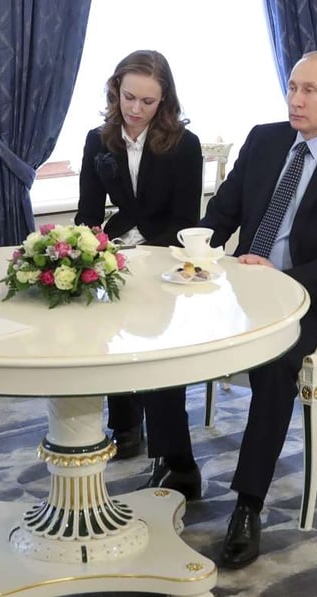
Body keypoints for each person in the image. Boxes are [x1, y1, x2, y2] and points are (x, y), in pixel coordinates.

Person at [146, 50, 317, 569]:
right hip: (244, 295)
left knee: (277, 364)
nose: (295, 99)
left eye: (310, 91)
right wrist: (185, 254)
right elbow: (222, 213)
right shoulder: (264, 139)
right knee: (162, 332)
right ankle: (180, 465)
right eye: (293, 87)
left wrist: (279, 277)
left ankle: (248, 505)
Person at [74, 49, 202, 461]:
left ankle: (164, 434)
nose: (135, 108)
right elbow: (88, 212)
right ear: (116, 90)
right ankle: (124, 423)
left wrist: (141, 255)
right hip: (115, 248)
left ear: (163, 101)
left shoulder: (185, 144)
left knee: (157, 340)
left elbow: (185, 218)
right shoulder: (98, 139)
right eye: (129, 97)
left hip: (164, 249)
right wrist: (89, 251)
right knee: (108, 331)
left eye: (147, 102)